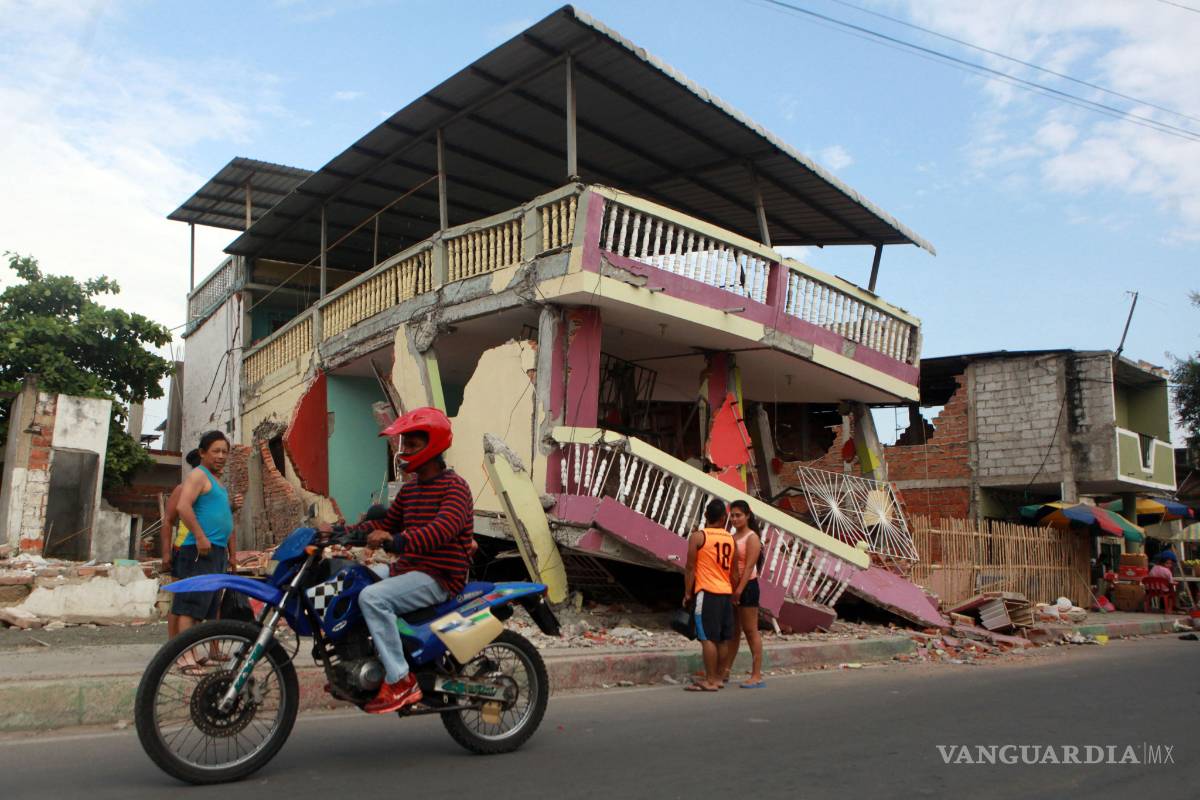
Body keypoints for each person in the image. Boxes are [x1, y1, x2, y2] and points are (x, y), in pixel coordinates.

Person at [332, 407, 475, 714]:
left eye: (412, 445)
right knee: (352, 582)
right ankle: (358, 661)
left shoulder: (456, 488)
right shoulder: (410, 491)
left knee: (372, 598)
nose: (404, 452)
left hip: (439, 577)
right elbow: (385, 524)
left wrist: (395, 541)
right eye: (404, 445)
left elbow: (440, 531)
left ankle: (400, 681)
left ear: (433, 445)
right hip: (409, 570)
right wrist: (341, 532)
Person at [172, 431, 243, 643]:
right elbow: (182, 507)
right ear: (202, 453)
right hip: (198, 549)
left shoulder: (216, 482)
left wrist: (231, 553)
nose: (221, 456)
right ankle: (185, 656)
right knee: (190, 606)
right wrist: (201, 537)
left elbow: (221, 518)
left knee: (205, 608)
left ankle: (191, 652)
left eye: (224, 452)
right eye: (216, 451)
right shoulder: (198, 475)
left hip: (216, 551)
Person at [683, 499, 739, 692]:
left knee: (707, 638)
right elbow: (734, 573)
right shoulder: (731, 539)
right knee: (723, 639)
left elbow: (690, 568)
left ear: (706, 516)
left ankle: (710, 680)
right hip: (725, 593)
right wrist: (733, 592)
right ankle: (719, 677)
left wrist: (687, 592)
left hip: (706, 592)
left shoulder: (698, 537)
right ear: (724, 518)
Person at [160, 449, 201, 638]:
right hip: (184, 549)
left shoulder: (214, 489)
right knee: (179, 600)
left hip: (206, 551)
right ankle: (173, 645)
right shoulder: (182, 489)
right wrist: (166, 553)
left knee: (202, 601)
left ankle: (203, 647)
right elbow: (168, 520)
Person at [728, 499, 765, 689]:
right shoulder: (732, 537)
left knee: (751, 631)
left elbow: (750, 566)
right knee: (733, 631)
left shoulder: (752, 538)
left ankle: (756, 674)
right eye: (732, 515)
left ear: (747, 515)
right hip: (733, 588)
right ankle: (725, 670)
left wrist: (739, 590)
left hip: (747, 587)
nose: (734, 519)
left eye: (738, 515)